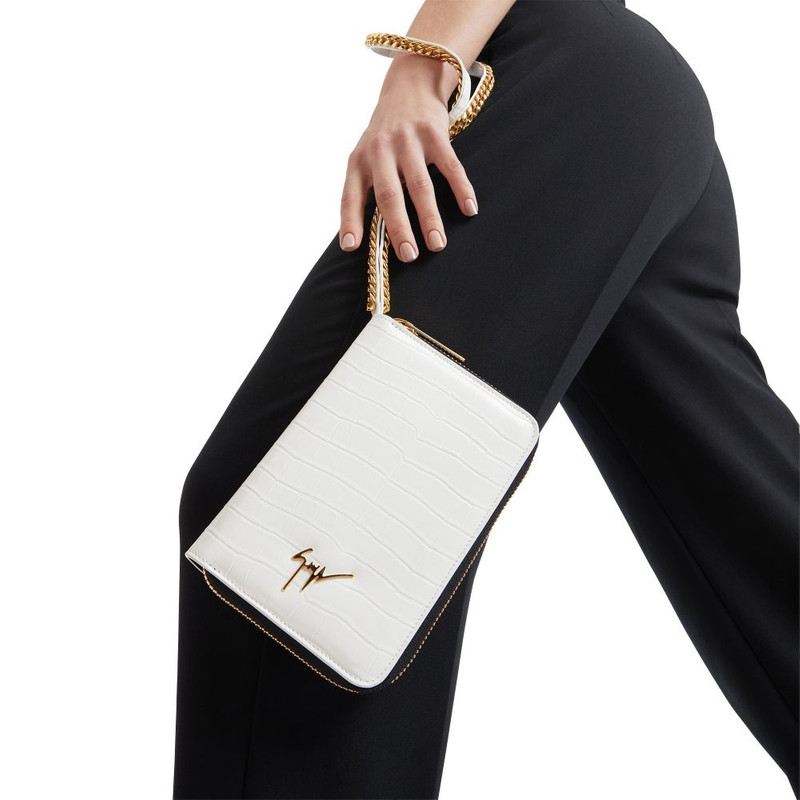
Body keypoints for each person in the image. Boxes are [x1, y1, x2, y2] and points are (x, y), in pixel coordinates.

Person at [173, 1, 800, 797]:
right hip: (615, 103)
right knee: (742, 508)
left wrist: (420, 67)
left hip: (560, 77)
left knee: (292, 547)